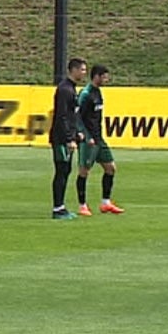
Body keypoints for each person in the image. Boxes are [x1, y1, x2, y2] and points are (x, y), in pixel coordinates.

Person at [74, 64, 125, 216]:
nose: (106, 79)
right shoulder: (86, 93)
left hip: (99, 138)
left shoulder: (98, 93)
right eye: (104, 76)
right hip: (88, 139)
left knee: (110, 168)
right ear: (96, 76)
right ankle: (82, 205)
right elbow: (77, 116)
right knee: (84, 171)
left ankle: (105, 203)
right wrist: (84, 135)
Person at [49, 58, 87, 220]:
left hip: (66, 137)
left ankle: (60, 206)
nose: (84, 73)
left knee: (65, 170)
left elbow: (71, 116)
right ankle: (58, 208)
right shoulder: (65, 90)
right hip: (61, 139)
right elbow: (62, 116)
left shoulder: (70, 88)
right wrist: (69, 138)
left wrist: (77, 133)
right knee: (62, 170)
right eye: (83, 70)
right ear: (74, 70)